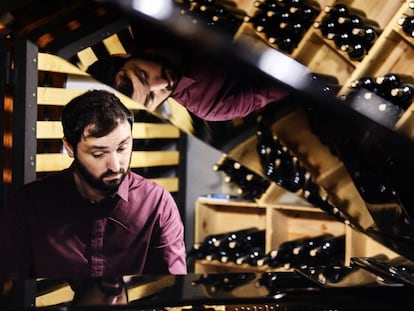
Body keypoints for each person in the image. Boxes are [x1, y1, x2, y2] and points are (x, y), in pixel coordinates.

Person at [0, 89, 187, 279]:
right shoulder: (29, 205)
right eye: (98, 154)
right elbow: (11, 290)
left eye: (122, 148)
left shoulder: (156, 203)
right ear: (70, 148)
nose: (115, 165)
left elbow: (170, 288)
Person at [86, 43, 293, 122]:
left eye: (143, 76)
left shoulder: (152, 21)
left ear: (123, 55)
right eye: (151, 97)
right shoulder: (212, 106)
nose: (162, 84)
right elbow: (289, 80)